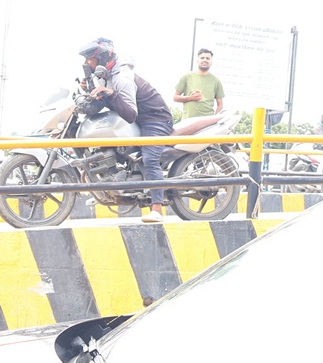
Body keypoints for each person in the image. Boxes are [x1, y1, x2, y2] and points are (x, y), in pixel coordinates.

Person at [79, 37, 174, 223]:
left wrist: (110, 94)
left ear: (101, 58)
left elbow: (130, 114)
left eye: (89, 59)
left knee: (149, 158)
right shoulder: (106, 75)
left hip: (155, 119)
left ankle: (157, 209)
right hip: (139, 120)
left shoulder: (122, 78)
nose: (86, 63)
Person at [172, 48, 224, 119]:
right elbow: (175, 97)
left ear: (211, 61)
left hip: (207, 122)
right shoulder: (187, 77)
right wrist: (190, 98)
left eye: (208, 58)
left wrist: (215, 120)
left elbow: (220, 105)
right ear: (197, 60)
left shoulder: (216, 81)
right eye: (202, 58)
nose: (205, 60)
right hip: (188, 121)